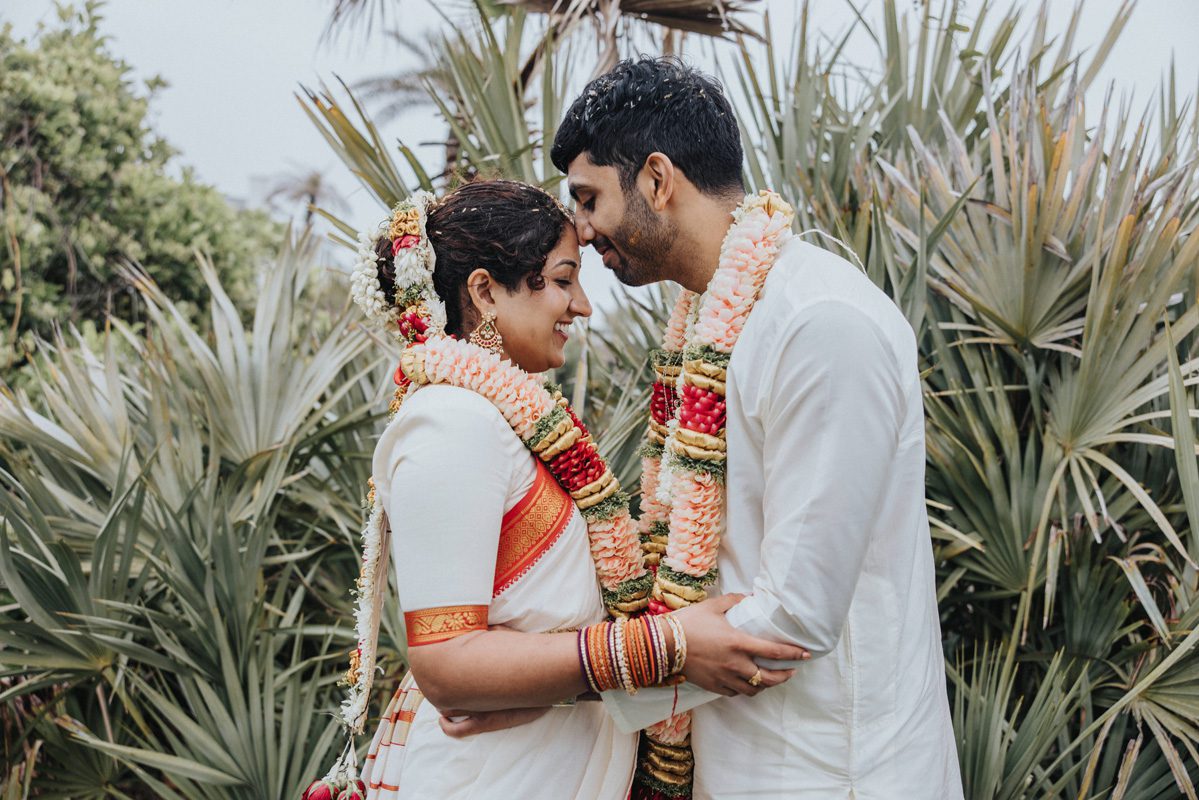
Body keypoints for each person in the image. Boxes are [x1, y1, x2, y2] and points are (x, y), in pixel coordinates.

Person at [537, 57, 961, 798]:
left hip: (831, 768)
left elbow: (793, 616)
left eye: (588, 197)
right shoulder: (709, 319)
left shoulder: (819, 325)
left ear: (657, 180)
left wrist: (566, 684)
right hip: (740, 758)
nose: (581, 230)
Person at [326, 179, 806, 800]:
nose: (582, 305)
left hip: (540, 762)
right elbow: (447, 665)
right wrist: (670, 646)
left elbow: (536, 636)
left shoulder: (505, 420)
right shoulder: (451, 422)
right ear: (484, 290)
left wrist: (557, 687)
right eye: (561, 279)